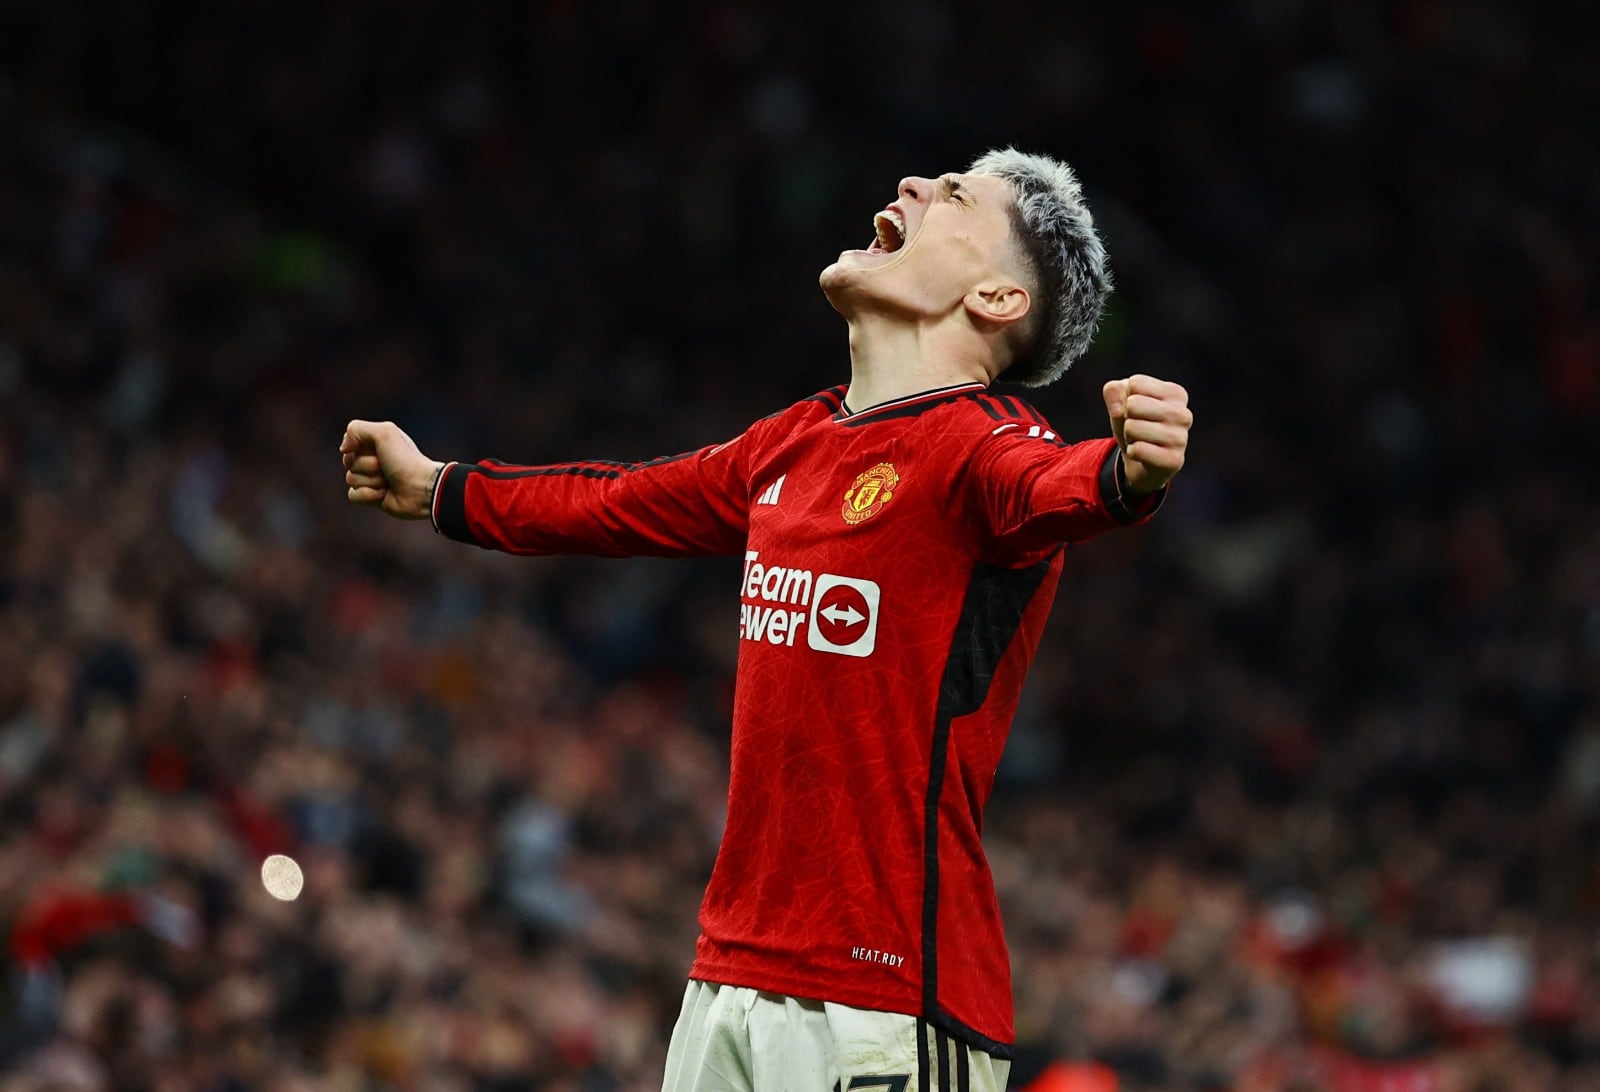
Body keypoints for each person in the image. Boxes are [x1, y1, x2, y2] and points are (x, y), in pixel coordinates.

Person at [340, 148, 1192, 1092]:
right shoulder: (793, 442)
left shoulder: (986, 447)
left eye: (953, 197)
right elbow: (615, 502)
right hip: (729, 977)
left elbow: (1058, 487)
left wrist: (1130, 475)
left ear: (995, 301)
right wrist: (440, 489)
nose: (910, 185)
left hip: (886, 998)